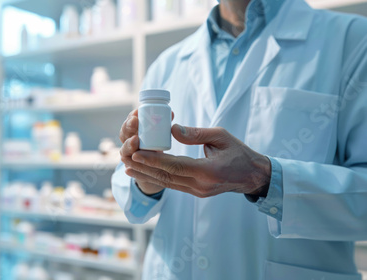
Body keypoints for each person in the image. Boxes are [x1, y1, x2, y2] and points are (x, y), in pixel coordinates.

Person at [111, 0, 367, 279]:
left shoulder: (353, 41)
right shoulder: (168, 62)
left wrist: (263, 178)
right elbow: (132, 199)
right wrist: (146, 179)